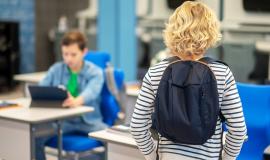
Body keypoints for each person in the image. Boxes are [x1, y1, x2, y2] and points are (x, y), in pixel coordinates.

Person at [130, 1, 247, 160]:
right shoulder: (222, 73)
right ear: (210, 31)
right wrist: (226, 158)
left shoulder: (156, 71)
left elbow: (137, 126)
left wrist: (153, 155)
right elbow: (239, 131)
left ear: (173, 29)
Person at [35, 30, 107, 160]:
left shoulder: (95, 72)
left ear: (84, 52)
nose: (68, 59)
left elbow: (91, 92)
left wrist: (76, 101)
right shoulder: (56, 69)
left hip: (89, 121)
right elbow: (41, 89)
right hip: (63, 122)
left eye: (73, 54)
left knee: (111, 140)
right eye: (65, 54)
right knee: (36, 137)